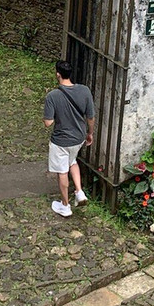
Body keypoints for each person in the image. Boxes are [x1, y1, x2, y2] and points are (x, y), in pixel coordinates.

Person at [43, 60, 95, 217]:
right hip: (78, 138)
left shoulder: (53, 96)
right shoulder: (85, 90)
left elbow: (48, 123)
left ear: (58, 74)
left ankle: (65, 205)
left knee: (62, 171)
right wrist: (90, 133)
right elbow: (90, 116)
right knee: (72, 161)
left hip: (61, 141)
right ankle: (79, 192)